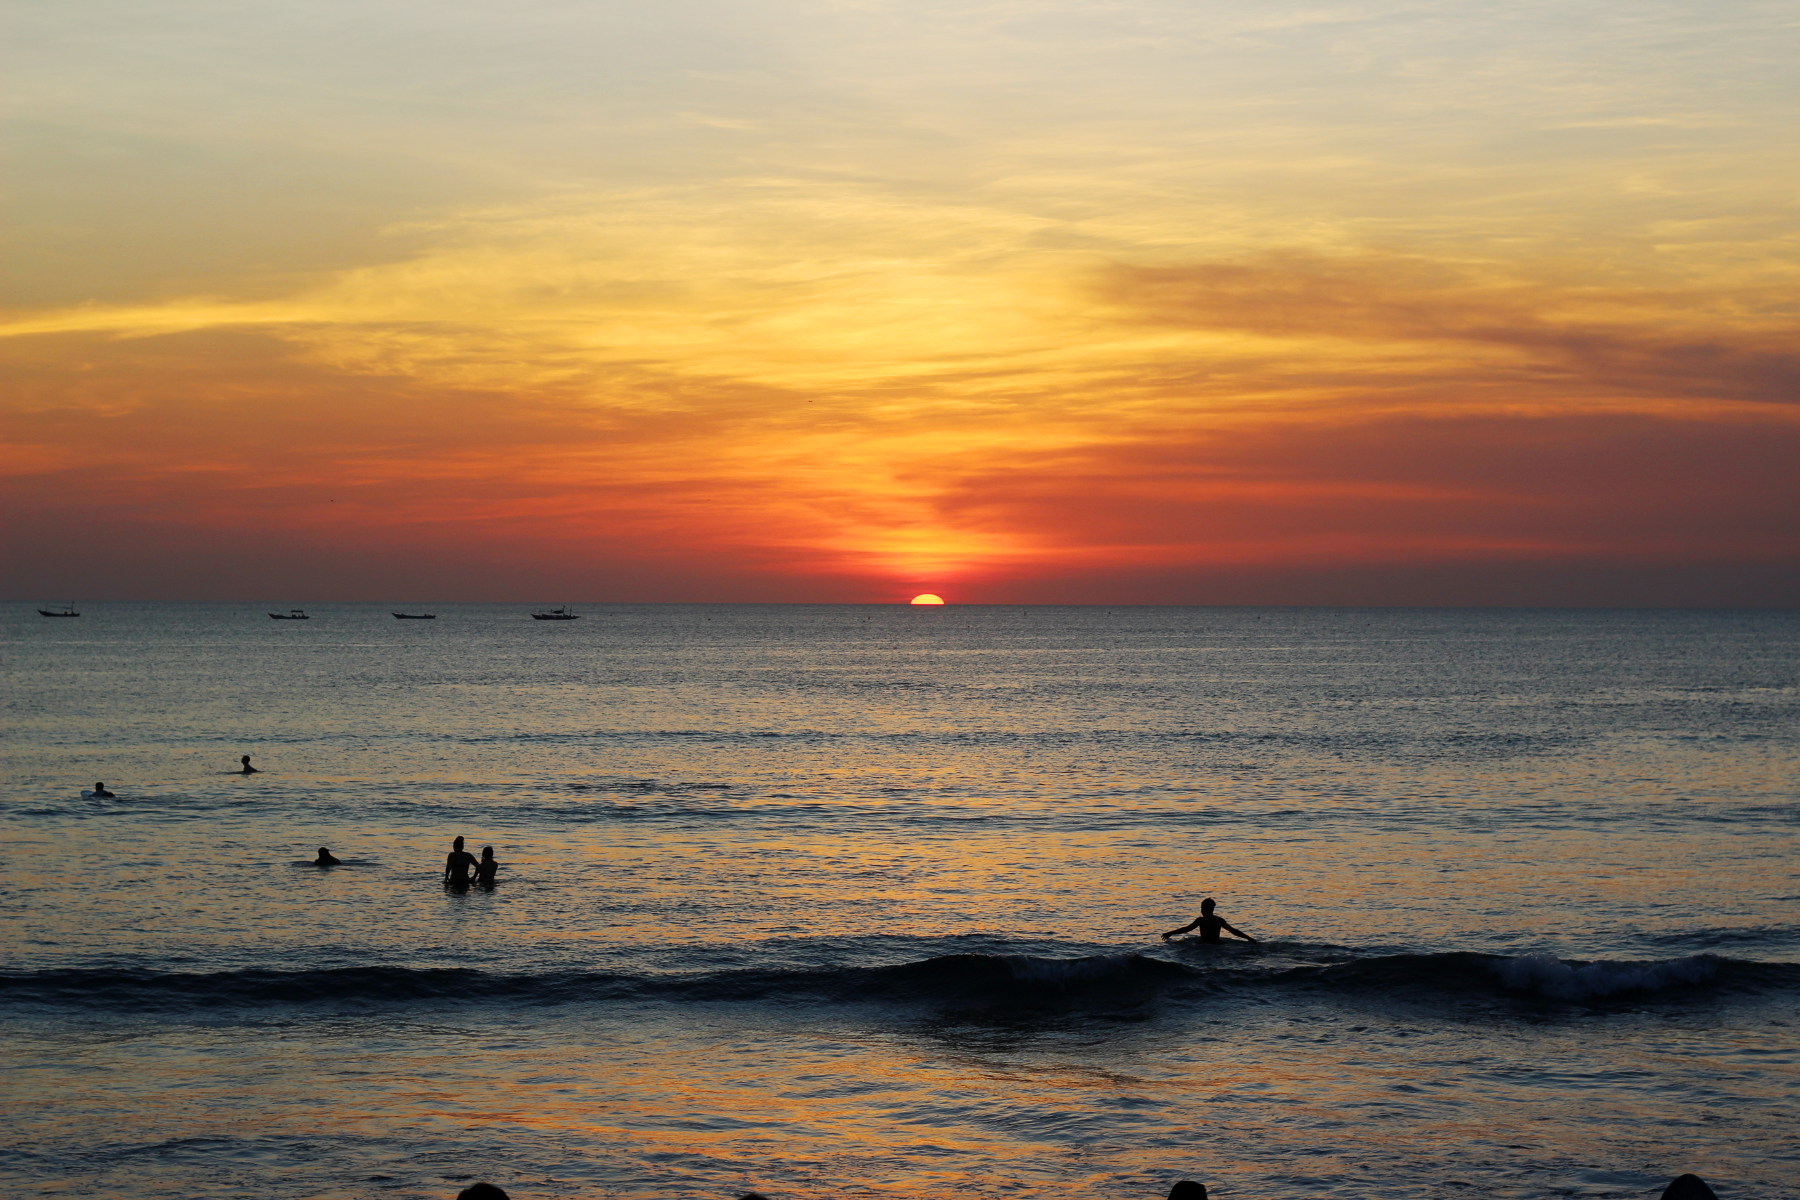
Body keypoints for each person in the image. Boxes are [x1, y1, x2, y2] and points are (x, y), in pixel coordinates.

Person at [1161, 897, 1257, 943]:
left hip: (1205, 944)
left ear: (1204, 909)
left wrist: (1170, 933)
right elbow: (1234, 931)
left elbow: (1186, 929)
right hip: (1218, 944)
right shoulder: (1219, 920)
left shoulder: (1201, 920)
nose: (1201, 910)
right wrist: (1249, 938)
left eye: (1201, 908)